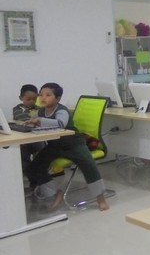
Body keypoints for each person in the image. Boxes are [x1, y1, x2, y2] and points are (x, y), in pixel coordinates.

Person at [24, 82, 110, 211]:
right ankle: (55, 194)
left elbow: (60, 123)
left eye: (48, 95)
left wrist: (40, 121)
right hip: (55, 146)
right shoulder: (40, 111)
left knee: (89, 166)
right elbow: (32, 118)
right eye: (41, 95)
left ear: (57, 98)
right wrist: (29, 121)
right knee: (33, 168)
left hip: (73, 144)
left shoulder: (61, 110)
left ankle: (100, 198)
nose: (43, 98)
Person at [13, 84, 43, 171]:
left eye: (34, 99)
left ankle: (38, 168)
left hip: (36, 136)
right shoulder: (16, 109)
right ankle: (27, 169)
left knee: (40, 149)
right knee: (22, 150)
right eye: (28, 99)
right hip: (23, 136)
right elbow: (18, 118)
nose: (31, 102)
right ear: (20, 98)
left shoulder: (39, 109)